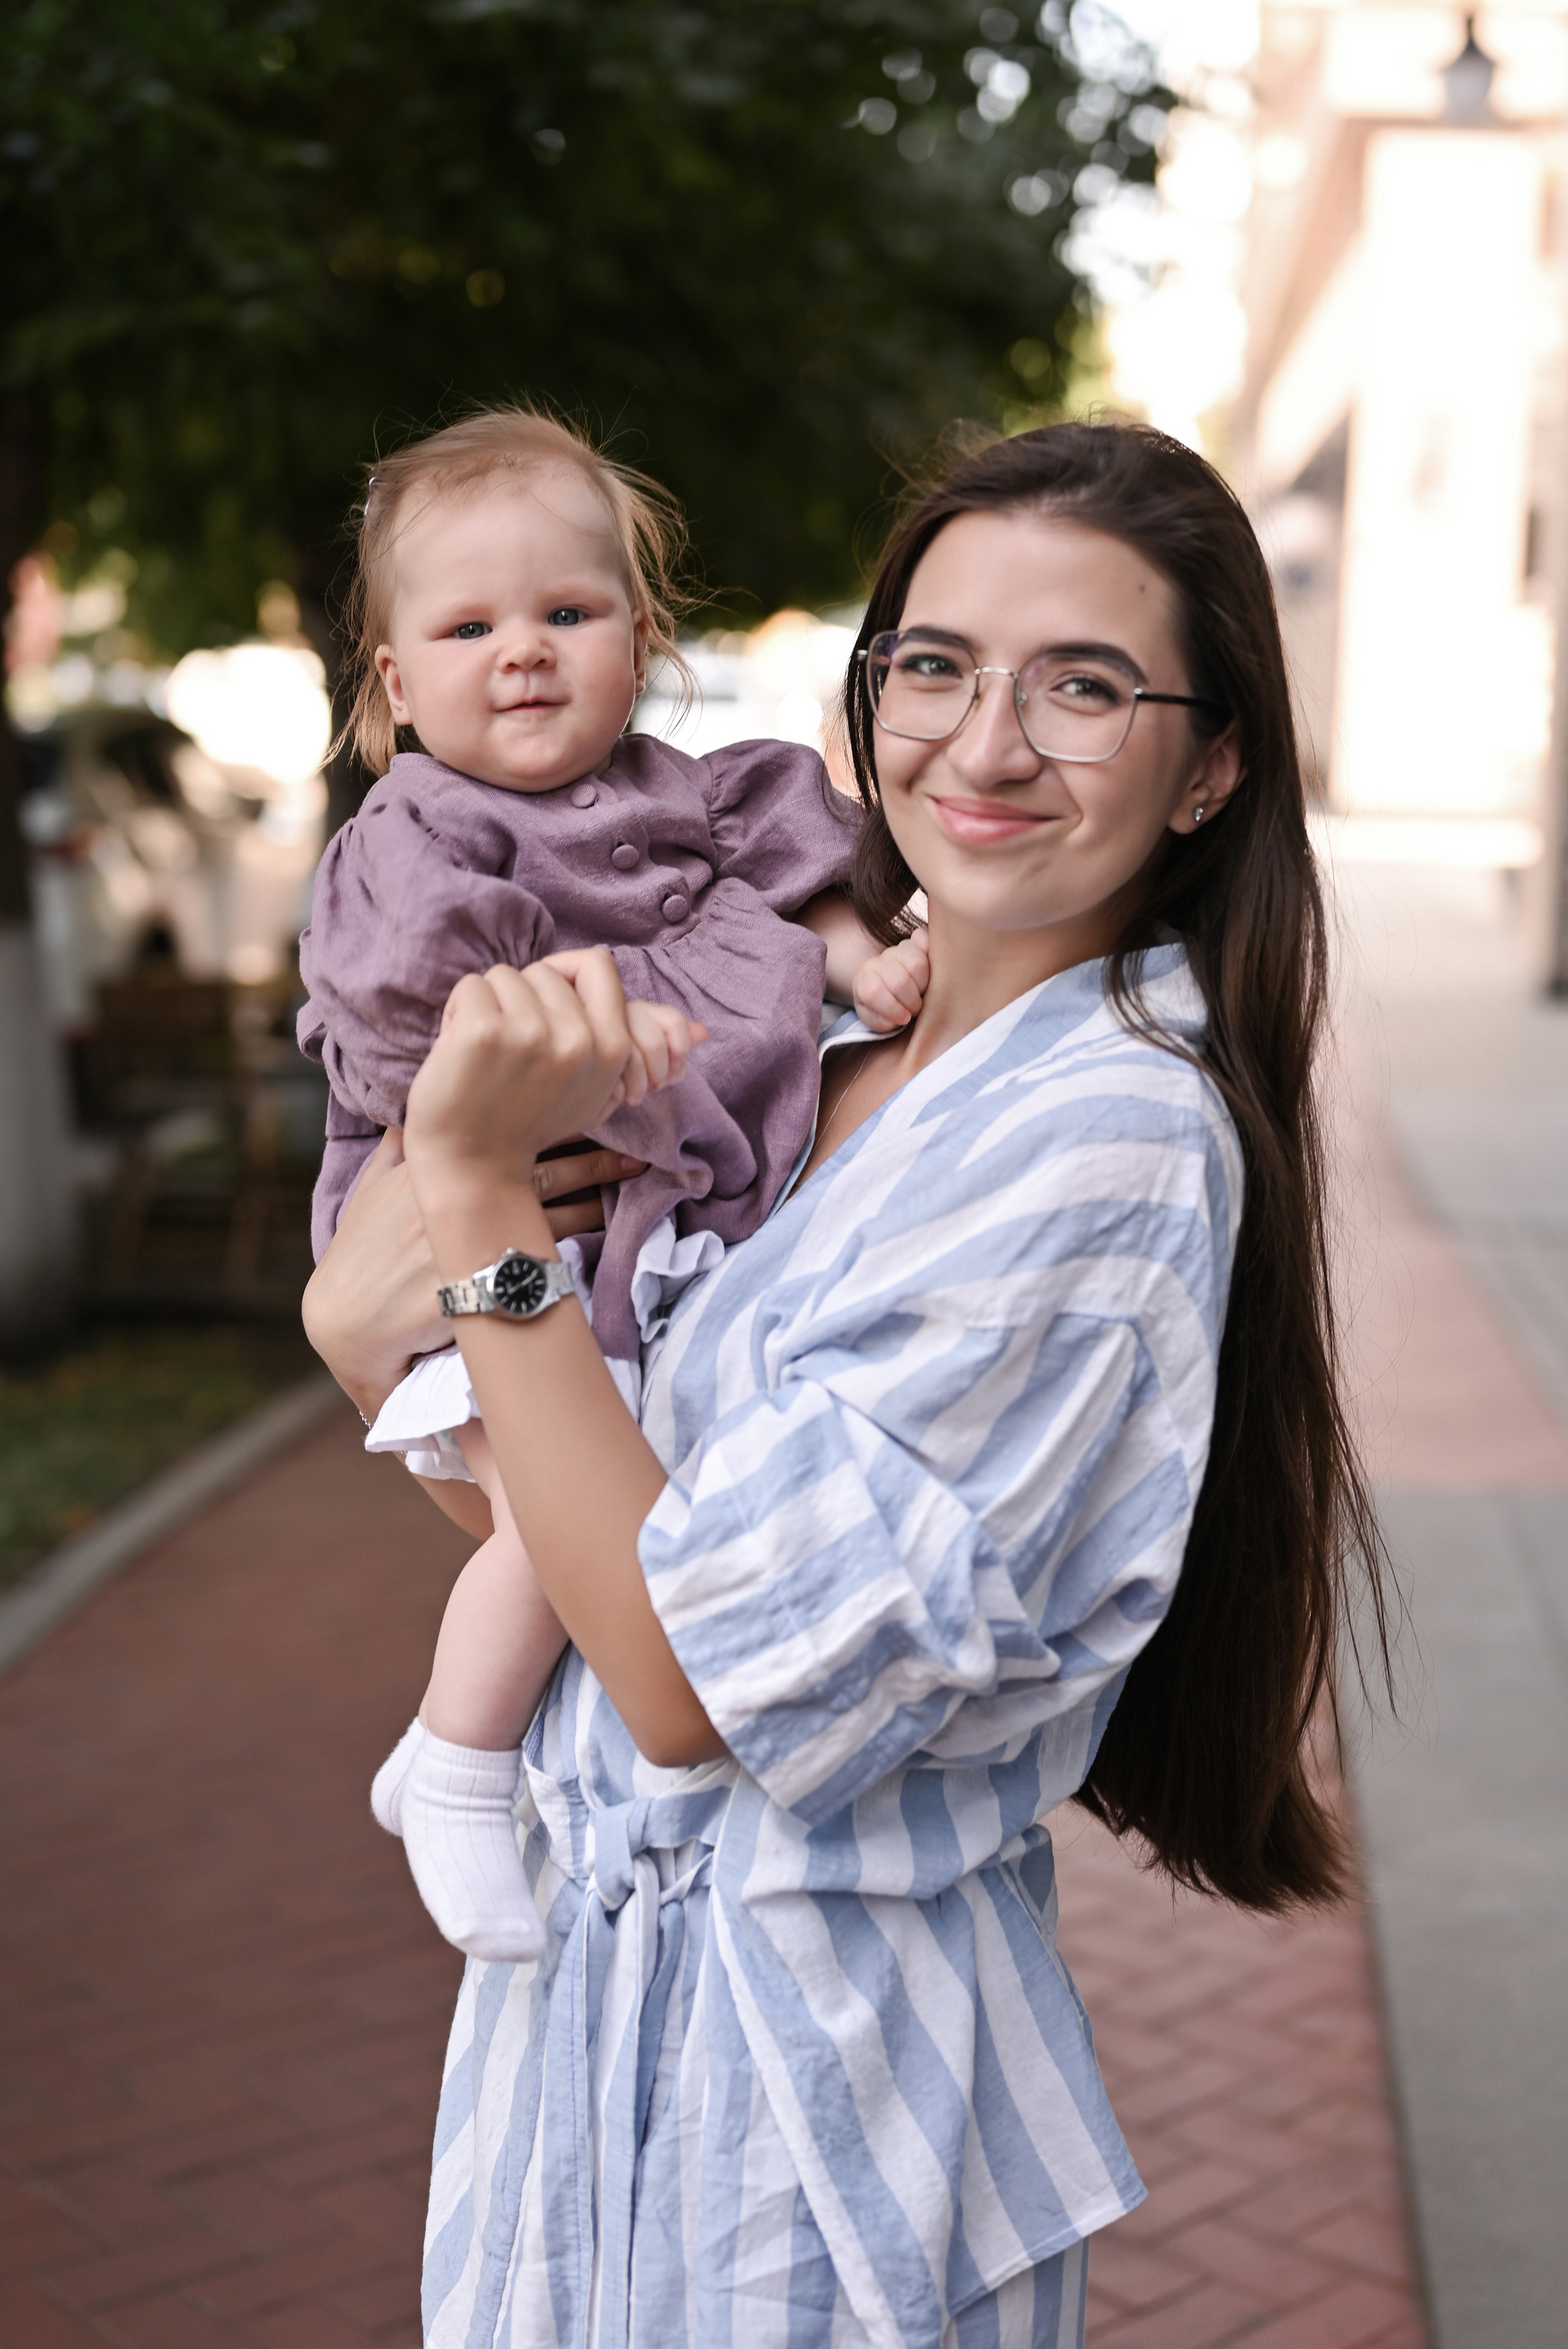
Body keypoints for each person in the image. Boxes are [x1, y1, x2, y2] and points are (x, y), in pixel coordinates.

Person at [304, 420, 1389, 2348]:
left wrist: (478, 1211)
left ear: (1214, 763)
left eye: (1085, 688)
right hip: (585, 2059)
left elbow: (686, 1675)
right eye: (937, 665)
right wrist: (356, 1334)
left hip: (802, 2139)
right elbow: (593, 1536)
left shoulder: (1104, 1139)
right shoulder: (807, 1051)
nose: (986, 745)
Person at [297, 407, 929, 1965]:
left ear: (641, 639)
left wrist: (859, 959)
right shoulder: (417, 835)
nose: (522, 650)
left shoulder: (696, 799)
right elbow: (412, 1025)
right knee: (546, 1525)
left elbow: (794, 897)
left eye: (567, 612)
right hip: (490, 1231)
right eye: (468, 627)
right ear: (395, 682)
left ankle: (465, 1757)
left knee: (602, 1502)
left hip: (624, 1234)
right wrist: (563, 1033)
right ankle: (455, 1758)